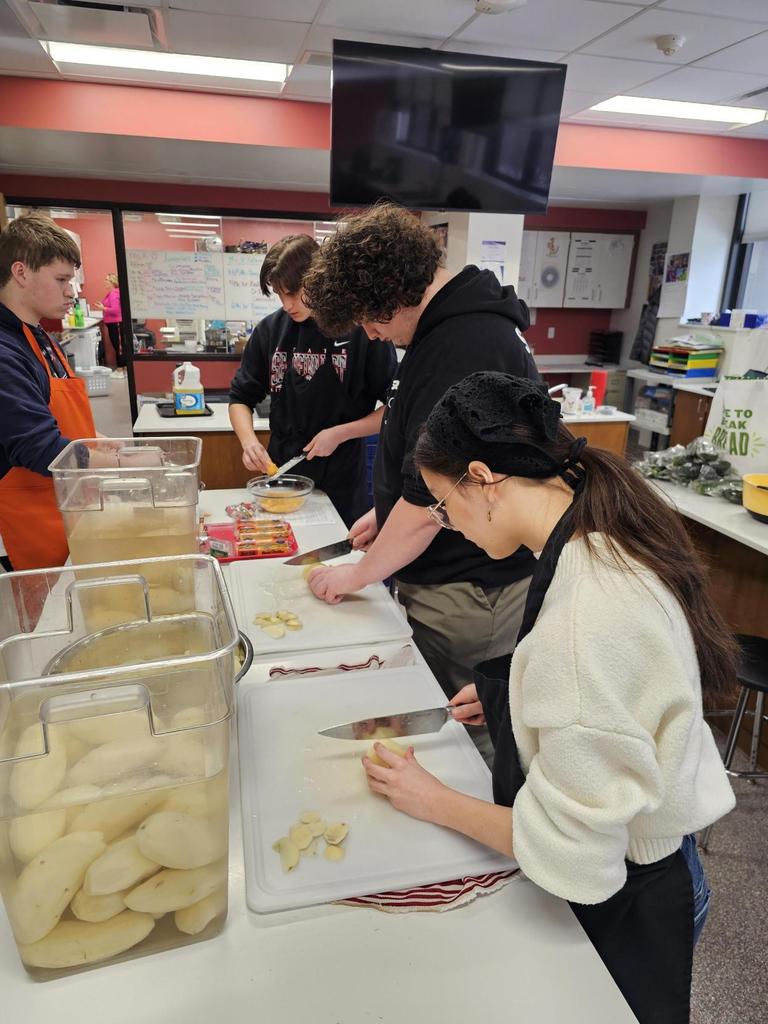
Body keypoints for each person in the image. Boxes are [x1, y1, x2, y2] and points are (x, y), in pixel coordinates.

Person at [363, 371, 736, 1024]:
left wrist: (434, 799)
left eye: (444, 506)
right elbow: (618, 704)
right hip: (661, 850)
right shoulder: (600, 529)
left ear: (483, 478)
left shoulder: (583, 619)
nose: (448, 527)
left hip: (634, 893)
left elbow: (576, 855)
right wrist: (516, 697)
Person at [301, 203, 539, 701]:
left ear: (389, 295)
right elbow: (426, 463)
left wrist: (360, 573)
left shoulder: (463, 345)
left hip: (470, 589)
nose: (370, 333)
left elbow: (442, 493)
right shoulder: (446, 336)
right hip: (448, 579)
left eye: (367, 319)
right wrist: (385, 512)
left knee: (467, 732)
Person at [229, 234, 397, 528]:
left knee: (337, 559)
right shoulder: (270, 331)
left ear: (319, 278)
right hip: (281, 475)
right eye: (279, 295)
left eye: (293, 293)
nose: (287, 305)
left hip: (341, 478)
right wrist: (248, 442)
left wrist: (342, 432)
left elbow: (397, 408)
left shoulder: (361, 330)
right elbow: (240, 398)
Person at [0, 213, 98, 571]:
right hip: (31, 524)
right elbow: (40, 448)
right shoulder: (5, 352)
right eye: (62, 280)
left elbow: (65, 426)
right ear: (21, 272)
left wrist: (108, 444)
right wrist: (120, 463)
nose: (72, 291)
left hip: (68, 511)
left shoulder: (41, 337)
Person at [94, 272, 125, 374]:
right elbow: (109, 305)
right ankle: (123, 368)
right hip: (112, 324)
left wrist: (103, 308)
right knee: (117, 346)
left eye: (106, 280)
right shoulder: (110, 293)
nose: (104, 282)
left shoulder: (114, 293)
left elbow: (115, 310)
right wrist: (101, 305)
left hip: (116, 323)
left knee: (119, 347)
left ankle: (121, 369)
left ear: (112, 282)